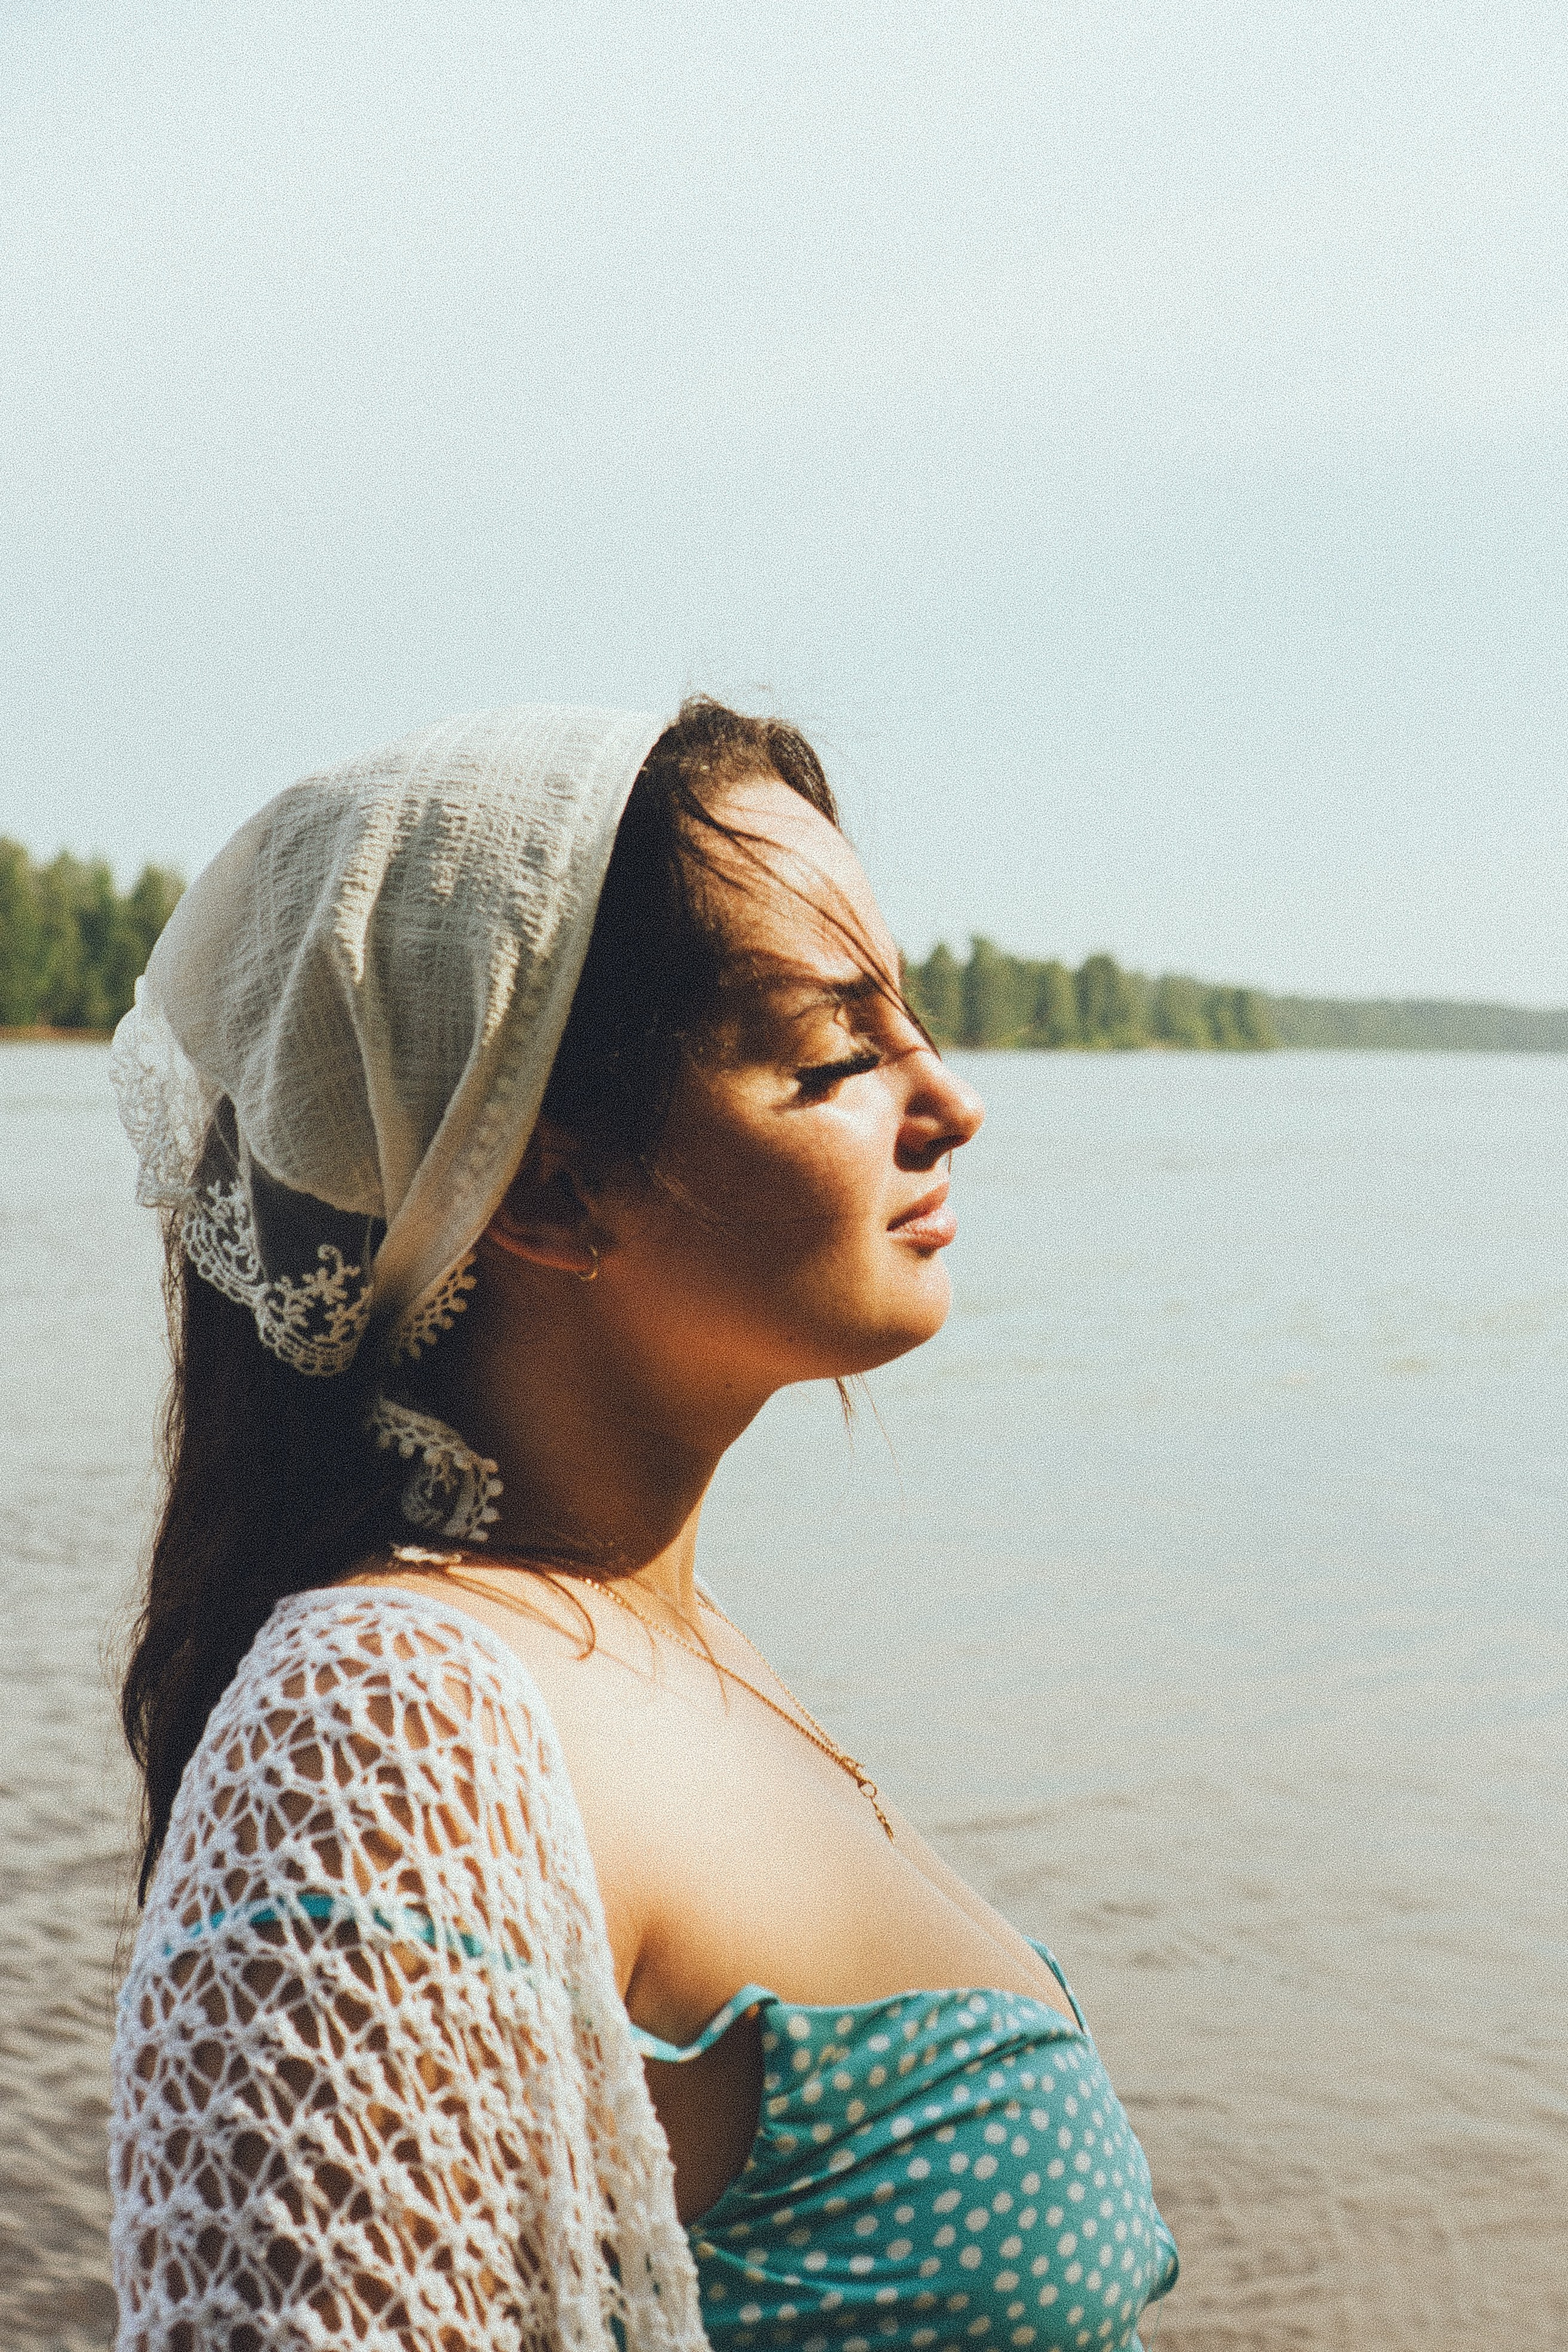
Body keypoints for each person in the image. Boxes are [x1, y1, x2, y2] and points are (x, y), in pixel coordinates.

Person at [109, 698, 1177, 2352]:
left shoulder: (672, 1643)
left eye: (912, 1019)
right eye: (836, 1053)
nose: (951, 1099)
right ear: (546, 1190)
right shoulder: (382, 1725)